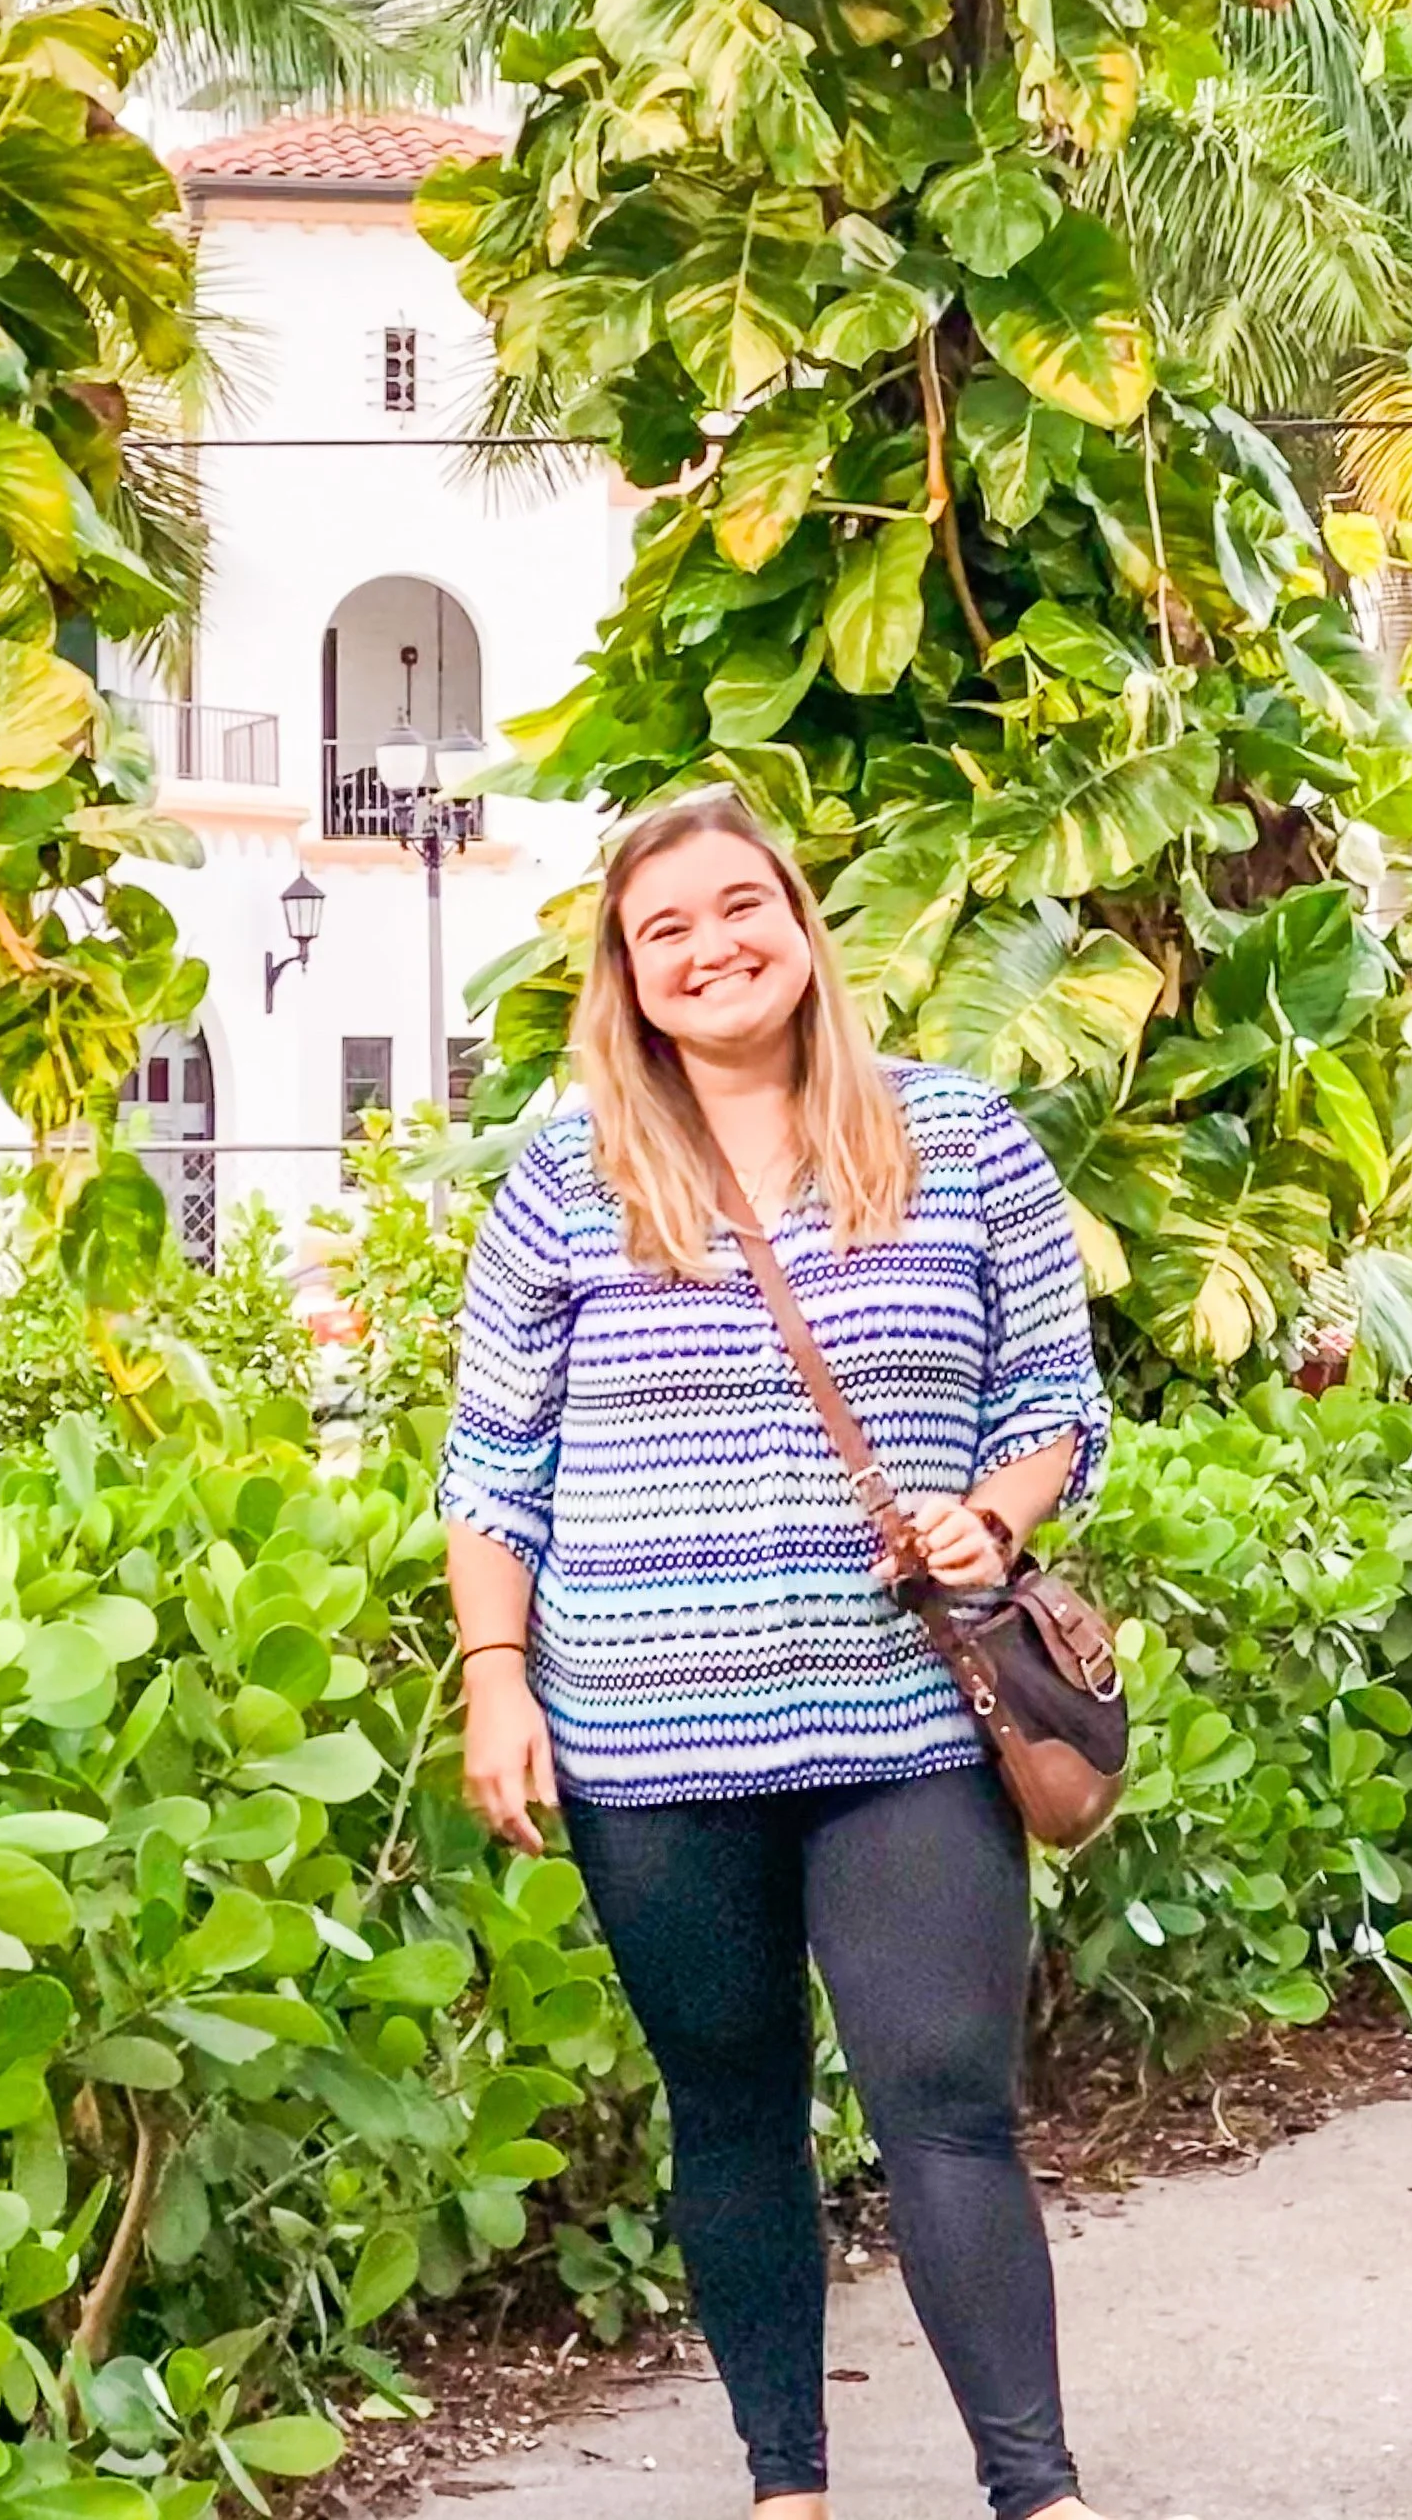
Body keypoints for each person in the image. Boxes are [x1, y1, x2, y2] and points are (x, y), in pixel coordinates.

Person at [437, 785, 1114, 2520]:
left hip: (898, 1724)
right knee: (731, 2108)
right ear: (626, 970)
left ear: (802, 930)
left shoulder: (960, 1139)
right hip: (647, 1745)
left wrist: (996, 1516)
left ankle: (1037, 2493)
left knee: (945, 2100)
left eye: (742, 909)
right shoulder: (568, 1172)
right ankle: (785, 2492)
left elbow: (1054, 1402)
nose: (711, 948)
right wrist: (496, 1673)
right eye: (666, 928)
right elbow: (493, 1458)